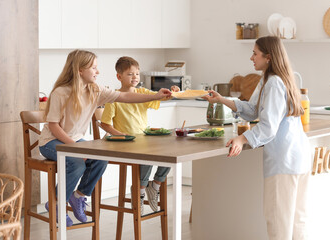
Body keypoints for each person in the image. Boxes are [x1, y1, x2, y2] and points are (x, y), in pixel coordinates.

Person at [39, 50, 172, 226]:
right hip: (51, 141)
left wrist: (155, 96)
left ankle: (78, 195)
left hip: (74, 140)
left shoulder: (95, 90)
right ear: (79, 70)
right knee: (77, 162)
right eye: (94, 67)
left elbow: (125, 96)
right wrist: (77, 148)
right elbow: (54, 126)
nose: (98, 72)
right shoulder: (61, 93)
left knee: (101, 157)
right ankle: (57, 204)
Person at [203, 36, 311, 240]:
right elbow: (253, 110)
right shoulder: (273, 79)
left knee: (279, 225)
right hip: (298, 158)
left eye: (255, 53)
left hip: (284, 161)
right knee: (297, 224)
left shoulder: (273, 83)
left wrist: (242, 140)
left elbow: (268, 127)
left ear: (268, 57)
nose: (251, 57)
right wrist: (222, 100)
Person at [100, 56, 179, 215]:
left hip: (142, 138)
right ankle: (140, 191)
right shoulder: (113, 98)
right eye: (130, 74)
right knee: (147, 153)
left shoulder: (143, 93)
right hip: (124, 143)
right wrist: (120, 135)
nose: (135, 77)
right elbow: (105, 124)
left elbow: (161, 96)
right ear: (119, 77)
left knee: (171, 151)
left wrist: (173, 92)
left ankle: (155, 185)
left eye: (137, 73)